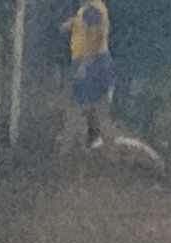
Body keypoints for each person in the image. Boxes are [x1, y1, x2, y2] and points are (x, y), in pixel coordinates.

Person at [61, 0, 114, 150]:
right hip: (90, 61)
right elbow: (86, 26)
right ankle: (88, 140)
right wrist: (72, 24)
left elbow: (95, 40)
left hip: (92, 62)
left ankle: (89, 141)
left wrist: (85, 65)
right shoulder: (88, 9)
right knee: (87, 105)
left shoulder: (93, 9)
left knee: (85, 105)